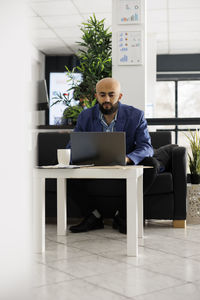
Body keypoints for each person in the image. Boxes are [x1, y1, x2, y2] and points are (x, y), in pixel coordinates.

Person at [68, 77, 158, 234]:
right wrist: (78, 156)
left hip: (124, 163)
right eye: (102, 95)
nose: (107, 99)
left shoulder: (136, 116)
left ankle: (122, 216)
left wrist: (128, 158)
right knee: (62, 166)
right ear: (96, 96)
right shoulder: (85, 116)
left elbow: (146, 146)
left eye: (111, 94)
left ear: (120, 96)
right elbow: (72, 146)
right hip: (91, 165)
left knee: (152, 164)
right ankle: (93, 217)